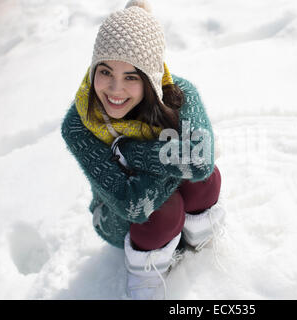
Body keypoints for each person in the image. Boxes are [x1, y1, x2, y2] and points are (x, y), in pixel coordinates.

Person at [60, 0, 225, 300]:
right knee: (163, 208)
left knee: (207, 180)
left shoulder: (179, 94)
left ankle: (195, 241)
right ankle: (146, 274)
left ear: (150, 77)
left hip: (148, 186)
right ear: (93, 68)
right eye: (105, 71)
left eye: (131, 77)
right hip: (118, 219)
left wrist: (132, 153)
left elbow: (201, 161)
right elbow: (130, 204)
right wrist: (174, 160)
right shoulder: (79, 123)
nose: (114, 89)